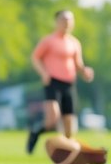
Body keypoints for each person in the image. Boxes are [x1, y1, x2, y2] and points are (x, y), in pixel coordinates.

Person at [26, 9, 95, 153]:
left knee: (70, 128)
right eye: (63, 20)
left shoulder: (74, 43)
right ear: (57, 22)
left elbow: (78, 64)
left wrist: (85, 72)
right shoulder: (48, 40)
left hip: (69, 84)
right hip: (52, 82)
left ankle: (67, 156)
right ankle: (35, 133)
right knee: (52, 120)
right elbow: (35, 58)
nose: (67, 23)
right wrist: (44, 73)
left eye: (69, 20)